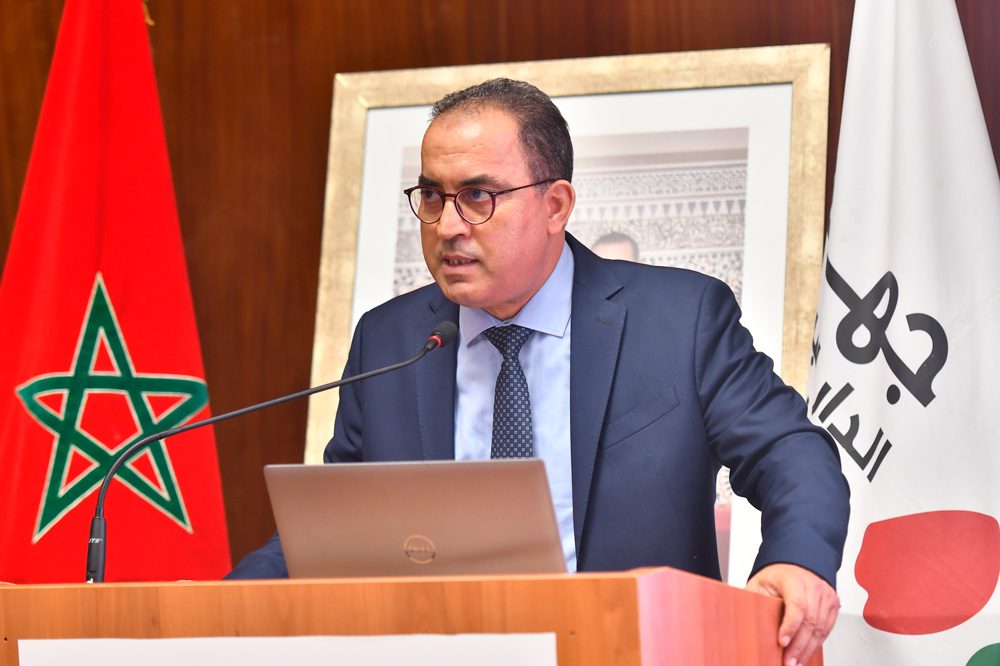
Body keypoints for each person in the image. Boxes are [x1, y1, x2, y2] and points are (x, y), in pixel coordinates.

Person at [229, 78, 849, 666]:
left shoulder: (678, 319)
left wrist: (797, 560)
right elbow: (338, 526)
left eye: (478, 196)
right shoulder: (391, 340)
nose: (447, 227)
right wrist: (227, 600)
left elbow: (788, 450)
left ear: (555, 205)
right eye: (433, 196)